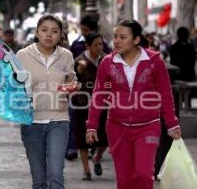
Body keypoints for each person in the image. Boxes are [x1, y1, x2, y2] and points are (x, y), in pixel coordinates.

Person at [86, 19, 181, 189]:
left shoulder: (154, 61)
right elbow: (98, 96)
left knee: (143, 174)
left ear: (136, 40)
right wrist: (91, 125)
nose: (117, 41)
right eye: (115, 37)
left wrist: (172, 123)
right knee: (125, 180)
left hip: (148, 126)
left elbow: (165, 94)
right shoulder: (107, 63)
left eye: (123, 37)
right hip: (117, 128)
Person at [17, 14, 77, 189]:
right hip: (31, 121)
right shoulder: (22, 55)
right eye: (44, 30)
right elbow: (12, 85)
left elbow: (71, 80)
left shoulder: (66, 56)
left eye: (54, 31)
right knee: (39, 180)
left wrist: (72, 87)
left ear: (60, 35)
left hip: (59, 120)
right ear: (37, 33)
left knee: (56, 174)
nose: (49, 35)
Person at [72, 32, 108, 180]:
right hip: (82, 105)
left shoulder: (107, 60)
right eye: (96, 45)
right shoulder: (79, 61)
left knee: (105, 138)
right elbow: (73, 78)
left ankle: (97, 157)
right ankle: (86, 170)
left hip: (104, 105)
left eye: (101, 44)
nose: (99, 47)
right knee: (82, 138)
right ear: (87, 46)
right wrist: (79, 70)